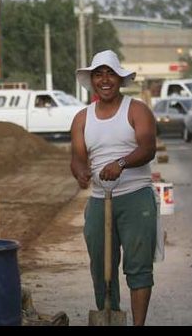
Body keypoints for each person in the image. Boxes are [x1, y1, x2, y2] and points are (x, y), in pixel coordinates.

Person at [69, 50, 158, 326]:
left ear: (119, 79)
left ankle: (138, 324)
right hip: (99, 200)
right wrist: (81, 173)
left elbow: (148, 148)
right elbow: (77, 158)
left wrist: (121, 163)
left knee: (138, 266)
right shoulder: (82, 118)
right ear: (92, 80)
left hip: (135, 197)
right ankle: (109, 315)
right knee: (101, 265)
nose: (104, 80)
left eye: (110, 74)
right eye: (99, 74)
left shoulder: (136, 110)